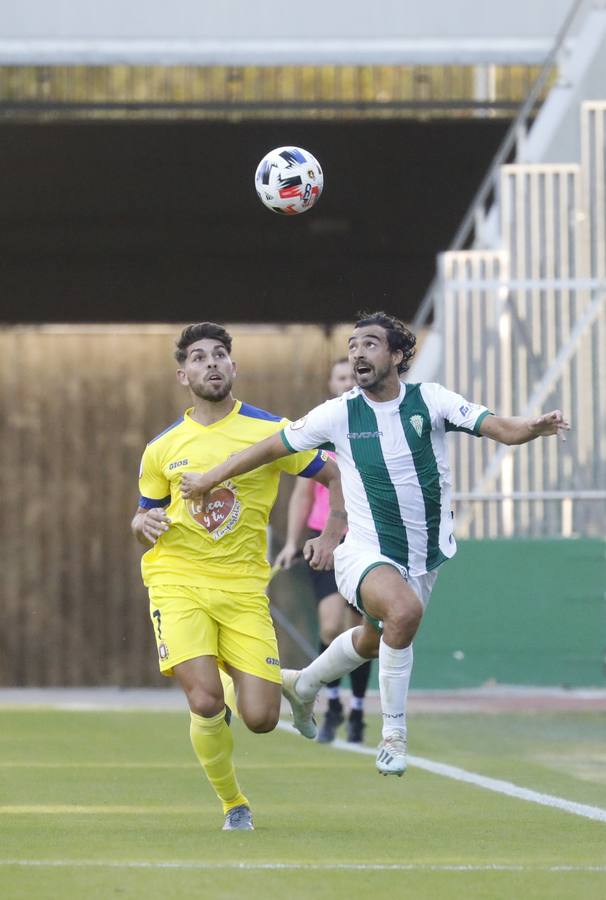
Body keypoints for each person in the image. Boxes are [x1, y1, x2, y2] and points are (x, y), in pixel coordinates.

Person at [180, 311, 570, 778]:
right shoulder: (339, 412)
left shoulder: (432, 401)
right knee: (402, 613)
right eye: (352, 345)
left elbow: (501, 429)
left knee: (374, 637)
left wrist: (534, 426)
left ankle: (305, 684)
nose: (357, 353)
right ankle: (393, 734)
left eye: (369, 344)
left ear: (397, 355)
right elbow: (268, 447)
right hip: (362, 550)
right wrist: (209, 477)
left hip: (425, 556)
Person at [131, 322, 345, 831]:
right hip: (177, 579)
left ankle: (285, 684)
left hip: (245, 587)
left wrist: (332, 534)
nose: (211, 364)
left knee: (261, 719)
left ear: (234, 366)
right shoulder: (162, 446)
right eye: (200, 358)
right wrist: (141, 523)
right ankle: (234, 805)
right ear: (184, 375)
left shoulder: (272, 431)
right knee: (204, 699)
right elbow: (146, 514)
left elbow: (334, 474)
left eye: (220, 355)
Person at [274, 358, 372, 744]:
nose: (347, 381)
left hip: (364, 538)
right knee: (331, 626)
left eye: (352, 376)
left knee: (360, 631)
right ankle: (331, 702)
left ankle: (360, 710)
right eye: (341, 376)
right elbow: (301, 493)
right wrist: (291, 543)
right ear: (331, 383)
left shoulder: (374, 427)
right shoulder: (320, 429)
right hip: (324, 537)